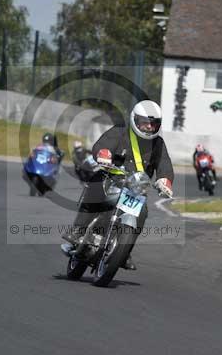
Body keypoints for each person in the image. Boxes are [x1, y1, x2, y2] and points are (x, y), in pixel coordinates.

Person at [62, 100, 174, 270]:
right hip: (112, 177)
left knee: (142, 213)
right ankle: (78, 230)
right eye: (144, 123)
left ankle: (125, 250)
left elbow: (164, 164)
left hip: (135, 189)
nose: (149, 127)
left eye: (153, 124)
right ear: (135, 120)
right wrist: (104, 153)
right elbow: (102, 144)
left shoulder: (158, 144)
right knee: (96, 185)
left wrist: (165, 180)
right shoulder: (121, 132)